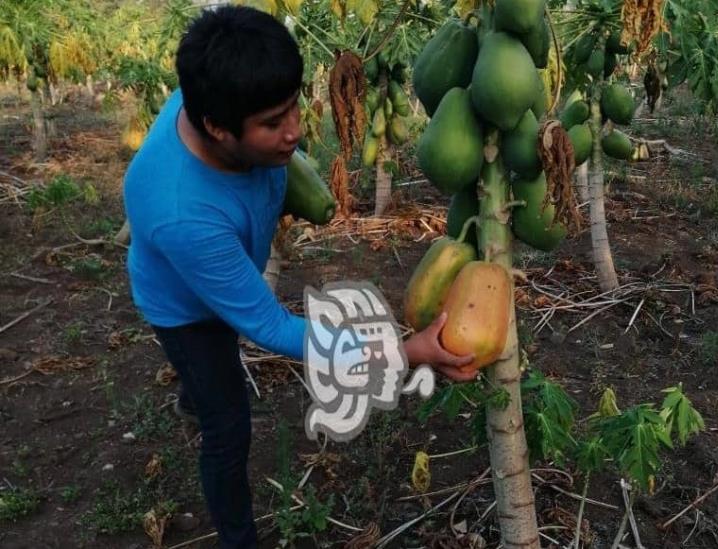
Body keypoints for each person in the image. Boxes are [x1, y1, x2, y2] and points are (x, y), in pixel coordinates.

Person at [123, 6, 475, 548]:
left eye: (293, 108)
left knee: (216, 388)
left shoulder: (220, 92)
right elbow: (275, 330)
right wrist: (405, 353)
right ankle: (237, 538)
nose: (295, 134)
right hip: (186, 311)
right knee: (227, 426)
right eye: (272, 123)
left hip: (222, 251)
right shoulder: (180, 213)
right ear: (217, 127)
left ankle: (197, 393)